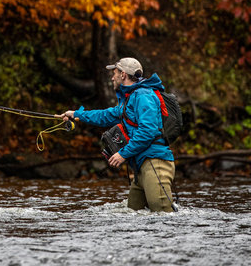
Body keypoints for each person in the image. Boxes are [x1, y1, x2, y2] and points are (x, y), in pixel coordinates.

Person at [62, 57, 176, 212]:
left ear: (123, 75)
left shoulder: (143, 96)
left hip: (155, 164)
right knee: (133, 214)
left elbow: (147, 131)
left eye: (114, 73)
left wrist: (123, 154)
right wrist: (76, 114)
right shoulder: (129, 99)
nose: (112, 77)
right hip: (141, 167)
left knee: (164, 217)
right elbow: (105, 116)